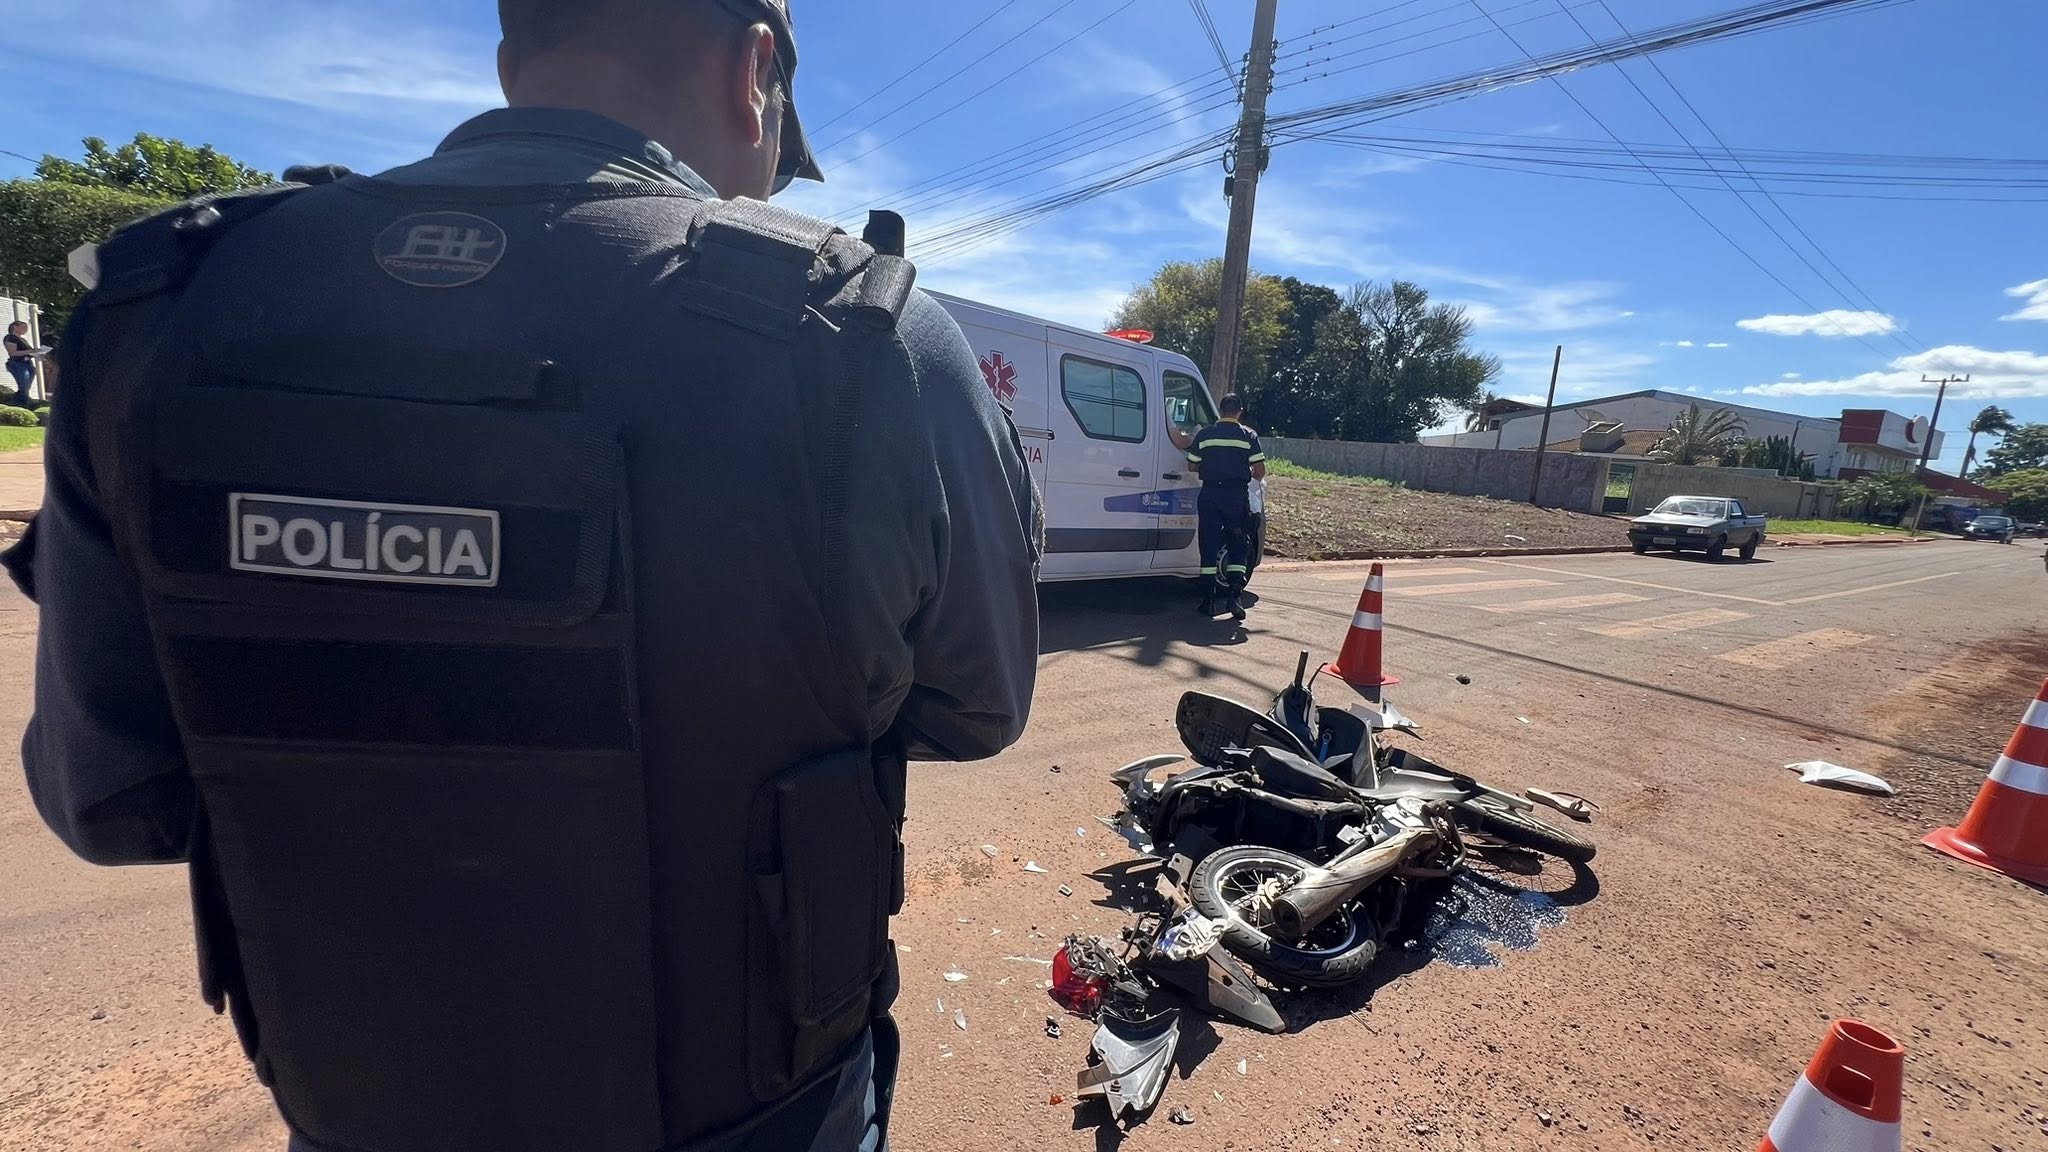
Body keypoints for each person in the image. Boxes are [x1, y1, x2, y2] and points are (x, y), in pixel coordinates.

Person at [4, 1, 1042, 1150]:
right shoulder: (865, 337)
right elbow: (978, 705)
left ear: (511, 62)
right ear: (756, 70)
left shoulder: (161, 306)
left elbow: (110, 801)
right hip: (751, 1113)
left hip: (362, 1111)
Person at [1186, 393, 1265, 619]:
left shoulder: (1205, 434)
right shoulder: (1248, 435)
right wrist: (1242, 471)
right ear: (1240, 411)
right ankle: (1234, 599)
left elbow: (1192, 466)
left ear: (1220, 411)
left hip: (1210, 494)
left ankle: (1208, 602)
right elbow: (1259, 472)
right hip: (1235, 497)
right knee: (1238, 546)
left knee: (1209, 546)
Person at [3, 321, 37, 406]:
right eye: (23, 326)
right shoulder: (10, 337)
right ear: (15, 327)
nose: (26, 328)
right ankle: (20, 403)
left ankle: (22, 402)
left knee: (26, 387)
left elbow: (29, 353)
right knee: (23, 385)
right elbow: (13, 353)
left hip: (28, 364)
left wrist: (38, 354)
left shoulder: (23, 340)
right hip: (18, 363)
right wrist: (30, 351)